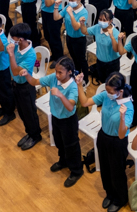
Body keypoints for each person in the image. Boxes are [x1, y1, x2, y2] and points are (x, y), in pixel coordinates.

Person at [21, 55, 84, 187]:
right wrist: (27, 74)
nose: (56, 75)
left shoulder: (73, 86)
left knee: (71, 146)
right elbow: (34, 82)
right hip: (56, 117)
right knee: (59, 142)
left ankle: (77, 170)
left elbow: (70, 106)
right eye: (56, 71)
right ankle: (63, 161)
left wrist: (61, 95)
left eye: (60, 72)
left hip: (68, 121)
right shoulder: (53, 79)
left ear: (69, 72)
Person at [76, 72, 134, 212]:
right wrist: (79, 85)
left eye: (110, 91)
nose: (107, 93)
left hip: (117, 142)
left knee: (117, 171)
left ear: (120, 91)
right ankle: (109, 193)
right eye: (106, 90)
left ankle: (120, 198)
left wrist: (122, 117)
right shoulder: (106, 96)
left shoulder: (128, 107)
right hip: (103, 137)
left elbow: (121, 135)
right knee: (105, 168)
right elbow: (85, 102)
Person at [6, 23, 42, 151]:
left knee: (29, 112)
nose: (11, 40)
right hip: (16, 84)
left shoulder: (31, 54)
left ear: (20, 39)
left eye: (13, 38)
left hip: (26, 86)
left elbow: (16, 71)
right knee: (21, 112)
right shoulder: (17, 46)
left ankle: (35, 135)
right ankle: (30, 132)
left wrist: (10, 54)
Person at [54, 0, 89, 81]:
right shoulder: (68, 7)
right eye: (69, 0)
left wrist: (71, 14)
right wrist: (56, 7)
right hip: (69, 37)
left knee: (81, 60)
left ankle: (86, 79)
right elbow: (56, 17)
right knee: (74, 58)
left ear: (79, 0)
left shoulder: (84, 12)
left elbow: (76, 27)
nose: (70, 2)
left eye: (72, 0)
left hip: (79, 40)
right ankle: (77, 74)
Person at [80, 9, 121, 83]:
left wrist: (111, 37)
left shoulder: (115, 33)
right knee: (102, 81)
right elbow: (85, 31)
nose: (101, 22)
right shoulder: (97, 27)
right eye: (100, 19)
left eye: (104, 20)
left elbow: (116, 50)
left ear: (111, 21)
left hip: (112, 64)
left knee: (112, 85)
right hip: (100, 62)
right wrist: (82, 24)